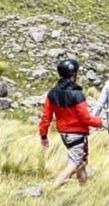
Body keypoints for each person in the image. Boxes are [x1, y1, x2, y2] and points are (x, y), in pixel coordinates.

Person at [39, 58, 103, 190]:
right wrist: (101, 123)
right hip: (77, 134)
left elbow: (46, 117)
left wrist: (43, 136)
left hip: (64, 134)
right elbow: (85, 118)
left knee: (81, 162)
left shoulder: (52, 93)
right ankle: (52, 189)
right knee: (74, 164)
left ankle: (84, 190)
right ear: (74, 74)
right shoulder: (77, 94)